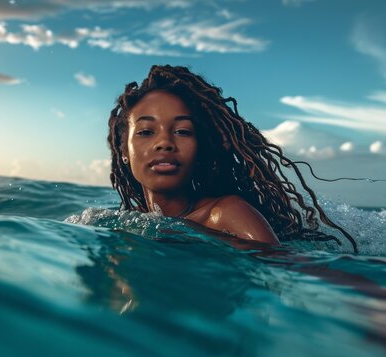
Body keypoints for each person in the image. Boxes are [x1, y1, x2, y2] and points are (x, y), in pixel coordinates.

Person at [107, 65, 358, 253]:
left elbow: (288, 271)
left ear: (201, 150)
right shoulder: (128, 223)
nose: (164, 143)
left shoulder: (226, 214)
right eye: (146, 132)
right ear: (124, 152)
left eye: (183, 131)